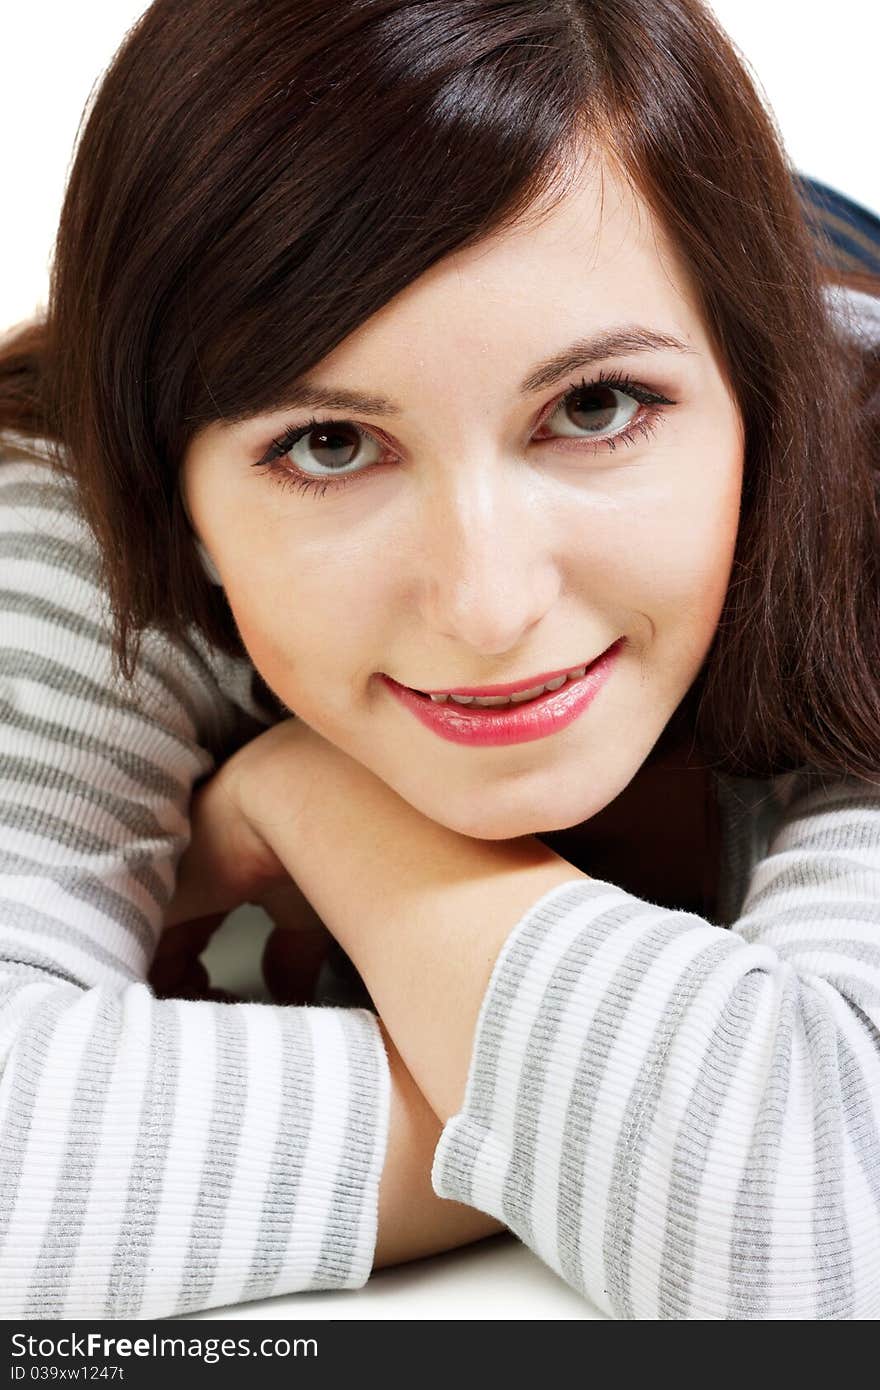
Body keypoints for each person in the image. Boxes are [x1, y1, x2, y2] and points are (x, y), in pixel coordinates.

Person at [0, 0, 878, 1322]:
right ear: (171, 488)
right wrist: (616, 1126)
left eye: (594, 408)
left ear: (760, 400)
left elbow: (819, 1208)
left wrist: (321, 800)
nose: (486, 604)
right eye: (331, 445)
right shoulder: (74, 483)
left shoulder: (857, 477)